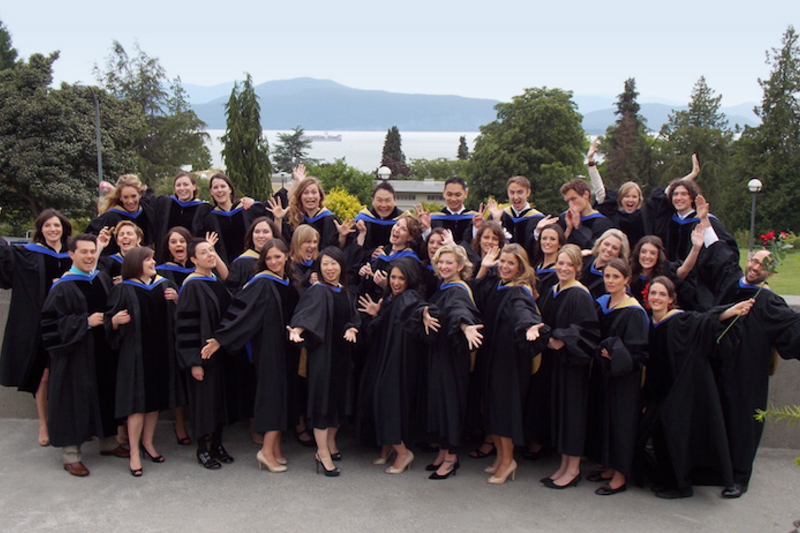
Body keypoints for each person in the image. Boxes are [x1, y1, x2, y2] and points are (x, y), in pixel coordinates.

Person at [640, 276, 750, 499]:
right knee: (658, 438)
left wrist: (729, 313)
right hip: (657, 391)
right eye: (654, 293)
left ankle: (681, 487)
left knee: (673, 436)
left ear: (671, 298)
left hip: (678, 390)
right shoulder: (650, 322)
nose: (657, 298)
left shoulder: (679, 320)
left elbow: (704, 321)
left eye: (662, 294)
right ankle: (667, 481)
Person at [202, 239, 300, 474]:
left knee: (283, 396)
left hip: (287, 348)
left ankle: (275, 449)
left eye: (278, 256)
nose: (274, 262)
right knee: (273, 398)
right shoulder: (262, 282)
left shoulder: (288, 281)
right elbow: (242, 313)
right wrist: (220, 338)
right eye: (269, 258)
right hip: (270, 348)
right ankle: (265, 452)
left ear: (286, 256)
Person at [711, 249, 800, 498]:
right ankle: (717, 469)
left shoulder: (769, 301)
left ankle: (740, 477)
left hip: (748, 373)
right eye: (753, 260)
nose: (755, 267)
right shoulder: (731, 287)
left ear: (770, 272)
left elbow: (791, 328)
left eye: (762, 265)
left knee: (743, 422)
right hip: (719, 367)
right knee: (718, 416)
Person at [40, 234, 128, 477]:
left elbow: (109, 309)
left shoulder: (100, 278)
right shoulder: (62, 287)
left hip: (102, 350)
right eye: (84, 252)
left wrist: (112, 320)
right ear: (72, 255)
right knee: (73, 400)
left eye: (92, 252)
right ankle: (71, 454)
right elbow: (50, 326)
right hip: (74, 355)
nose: (89, 256)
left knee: (105, 394)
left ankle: (108, 443)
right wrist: (85, 322)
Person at [474, 243, 550, 484]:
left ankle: (508, 461)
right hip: (493, 355)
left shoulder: (520, 291)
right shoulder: (499, 285)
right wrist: (484, 269)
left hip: (508, 360)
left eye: (510, 263)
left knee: (504, 410)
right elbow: (476, 297)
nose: (505, 267)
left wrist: (529, 326)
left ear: (520, 267)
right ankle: (499, 457)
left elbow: (524, 312)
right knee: (492, 406)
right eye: (502, 262)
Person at [105, 247, 182, 476]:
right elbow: (109, 320)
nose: (153, 262)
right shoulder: (124, 289)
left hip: (160, 351)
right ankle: (134, 452)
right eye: (148, 259)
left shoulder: (165, 285)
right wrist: (115, 321)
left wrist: (177, 299)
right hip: (135, 354)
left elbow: (180, 315)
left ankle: (148, 443)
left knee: (154, 402)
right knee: (137, 404)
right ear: (137, 263)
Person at [0, 209, 73, 447]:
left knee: (70, 374)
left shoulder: (75, 253)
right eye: (48, 226)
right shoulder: (28, 254)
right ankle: (44, 423)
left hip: (69, 322)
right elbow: (6, 265)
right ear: (40, 230)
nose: (53, 229)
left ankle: (69, 421)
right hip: (41, 323)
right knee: (43, 376)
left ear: (64, 228)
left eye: (57, 225)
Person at [288, 247, 360, 477]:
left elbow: (352, 317)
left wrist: (352, 328)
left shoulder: (345, 291)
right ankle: (322, 453)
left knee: (337, 403)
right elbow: (306, 314)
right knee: (323, 404)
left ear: (341, 266)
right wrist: (296, 330)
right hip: (323, 356)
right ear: (319, 267)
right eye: (325, 264)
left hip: (342, 357)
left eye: (334, 264)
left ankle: (330, 443)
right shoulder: (317, 291)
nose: (330, 268)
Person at [356, 258, 428, 474]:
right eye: (393, 277)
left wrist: (424, 313)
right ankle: (387, 447)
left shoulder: (410, 298)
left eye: (401, 278)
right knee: (379, 398)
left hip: (399, 361)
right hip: (384, 357)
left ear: (410, 280)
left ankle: (403, 452)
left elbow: (417, 311)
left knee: (388, 401)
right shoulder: (391, 297)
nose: (396, 282)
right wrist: (376, 314)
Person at [420, 244, 483, 480]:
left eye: (449, 263)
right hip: (440, 353)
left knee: (450, 404)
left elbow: (459, 311)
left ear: (460, 266)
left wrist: (466, 327)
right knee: (440, 402)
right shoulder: (443, 286)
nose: (444, 266)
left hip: (453, 357)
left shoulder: (458, 290)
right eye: (441, 262)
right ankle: (443, 451)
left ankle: (451, 458)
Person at [587, 258, 649, 496]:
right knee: (606, 421)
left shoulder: (633, 311)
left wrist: (616, 355)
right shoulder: (605, 304)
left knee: (621, 424)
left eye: (615, 277)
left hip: (625, 380)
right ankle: (609, 467)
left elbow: (639, 353)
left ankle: (620, 476)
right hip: (605, 376)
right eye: (607, 276)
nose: (610, 281)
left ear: (626, 280)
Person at [540, 244, 599, 489]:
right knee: (562, 414)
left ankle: (573, 469)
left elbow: (587, 331)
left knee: (572, 416)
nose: (563, 268)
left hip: (574, 365)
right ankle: (564, 464)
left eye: (568, 264)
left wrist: (561, 338)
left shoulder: (579, 294)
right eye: (560, 263)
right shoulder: (553, 289)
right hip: (557, 364)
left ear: (578, 268)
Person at [174, 238, 235, 470]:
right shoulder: (191, 285)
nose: (210, 255)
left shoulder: (215, 282)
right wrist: (194, 362)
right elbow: (185, 327)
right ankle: (202, 448)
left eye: (211, 250)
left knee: (219, 401)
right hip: (202, 356)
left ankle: (217, 444)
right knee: (202, 403)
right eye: (204, 252)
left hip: (220, 354)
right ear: (193, 259)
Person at [201, 173, 267, 265]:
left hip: (253, 265)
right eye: (215, 187)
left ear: (230, 189)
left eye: (223, 186)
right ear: (211, 192)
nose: (219, 190)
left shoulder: (247, 209)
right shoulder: (209, 219)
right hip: (226, 270)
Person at [86, 174, 155, 255]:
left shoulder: (147, 210)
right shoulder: (110, 217)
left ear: (140, 194)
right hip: (119, 264)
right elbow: (88, 237)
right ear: (120, 197)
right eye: (126, 197)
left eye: (133, 196)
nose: (130, 201)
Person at [153, 172, 211, 262]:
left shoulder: (204, 209)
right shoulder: (165, 203)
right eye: (178, 185)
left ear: (194, 186)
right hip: (166, 260)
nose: (182, 188)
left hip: (192, 261)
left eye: (186, 184)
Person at [281, 176, 351, 249]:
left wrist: (342, 236)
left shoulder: (330, 219)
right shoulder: (292, 218)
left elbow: (336, 250)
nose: (310, 196)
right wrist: (278, 219)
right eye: (306, 193)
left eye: (314, 192)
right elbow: (283, 243)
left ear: (320, 196)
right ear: (300, 196)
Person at [485, 175, 544, 254]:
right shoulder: (500, 215)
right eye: (512, 192)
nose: (515, 197)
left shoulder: (538, 219)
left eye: (520, 192)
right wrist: (496, 221)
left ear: (528, 192)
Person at [226, 217, 282, 293]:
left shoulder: (282, 260)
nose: (261, 236)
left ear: (273, 235)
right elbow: (230, 293)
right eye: (257, 232)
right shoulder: (241, 263)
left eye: (266, 232)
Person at [556, 177, 613, 251]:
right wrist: (569, 229)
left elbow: (593, 248)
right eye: (568, 201)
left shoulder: (602, 223)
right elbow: (558, 248)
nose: (571, 204)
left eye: (574, 199)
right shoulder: (564, 218)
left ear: (586, 194)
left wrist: (578, 226)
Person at [417, 177, 477, 244]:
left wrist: (477, 228)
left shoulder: (474, 218)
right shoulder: (434, 218)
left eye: (458, 195)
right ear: (444, 193)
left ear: (465, 194)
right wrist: (427, 229)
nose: (453, 199)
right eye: (449, 194)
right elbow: (428, 246)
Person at [353, 181, 404, 256]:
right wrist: (370, 253)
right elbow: (353, 251)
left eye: (388, 200)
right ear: (372, 201)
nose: (383, 205)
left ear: (395, 201)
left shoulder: (403, 220)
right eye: (379, 200)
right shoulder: (363, 219)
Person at [581, 229, 630, 299]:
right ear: (600, 243)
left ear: (619, 254)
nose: (609, 249)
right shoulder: (584, 260)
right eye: (606, 244)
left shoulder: (615, 278)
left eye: (615, 248)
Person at [288, 225, 321, 293]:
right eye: (308, 242)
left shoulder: (319, 263)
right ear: (298, 243)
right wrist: (309, 282)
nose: (312, 246)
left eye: (315, 242)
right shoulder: (289, 265)